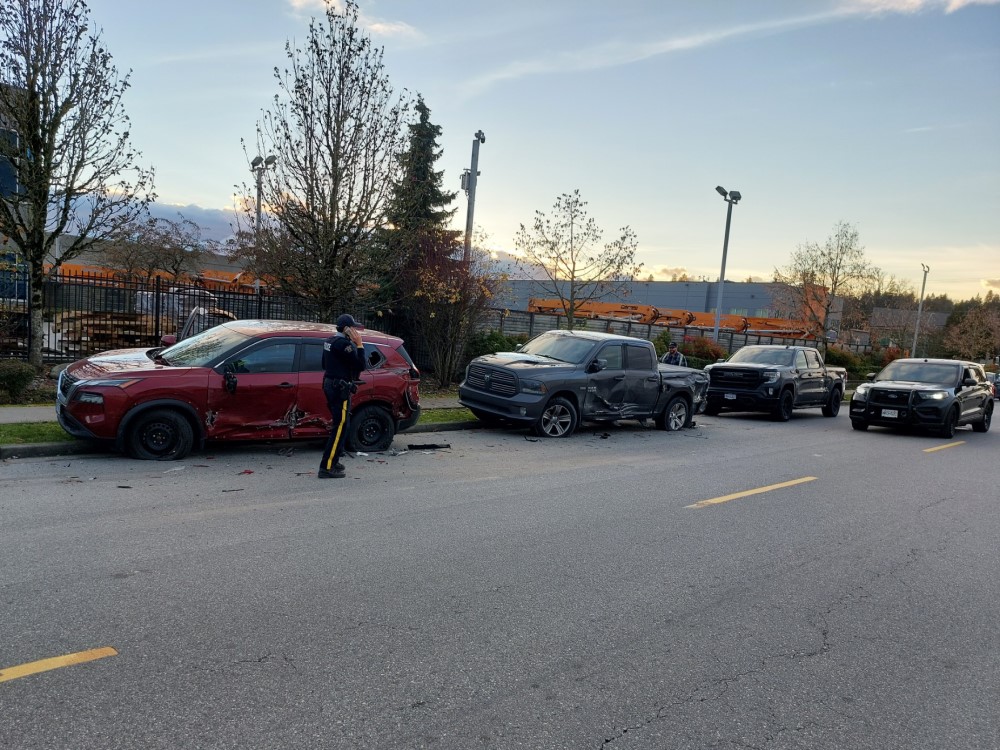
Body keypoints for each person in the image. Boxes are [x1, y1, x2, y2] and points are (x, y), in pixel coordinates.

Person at [318, 313, 366, 479]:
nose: (355, 331)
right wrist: (359, 345)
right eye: (353, 328)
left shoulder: (330, 341)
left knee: (342, 426)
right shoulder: (346, 345)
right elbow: (361, 365)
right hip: (340, 389)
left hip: (329, 384)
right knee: (339, 428)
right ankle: (327, 466)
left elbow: (324, 364)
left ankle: (334, 460)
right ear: (346, 329)